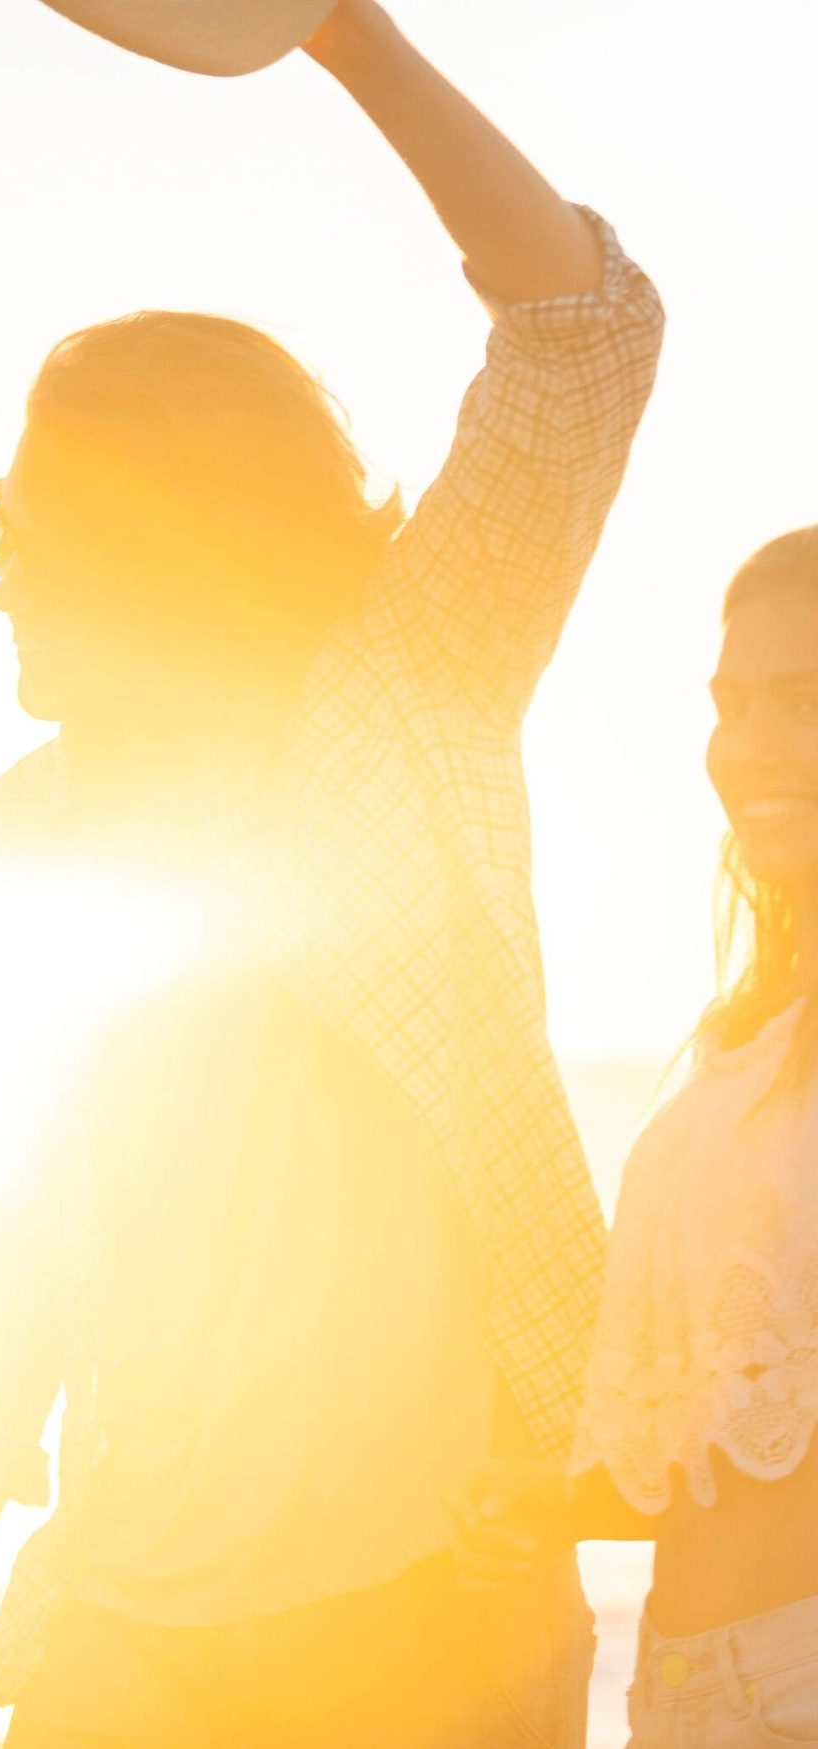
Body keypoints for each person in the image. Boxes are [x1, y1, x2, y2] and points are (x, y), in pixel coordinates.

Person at [0, 3, 665, 1745]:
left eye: (23, 522)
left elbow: (585, 337)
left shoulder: (403, 696)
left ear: (155, 528)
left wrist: (342, 36)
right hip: (119, 1625)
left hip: (424, 1607)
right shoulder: (23, 834)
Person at [450, 528, 818, 1748]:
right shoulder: (754, 1032)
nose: (751, 747)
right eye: (731, 705)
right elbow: (740, 1426)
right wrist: (551, 1503)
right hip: (683, 1681)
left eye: (801, 700)